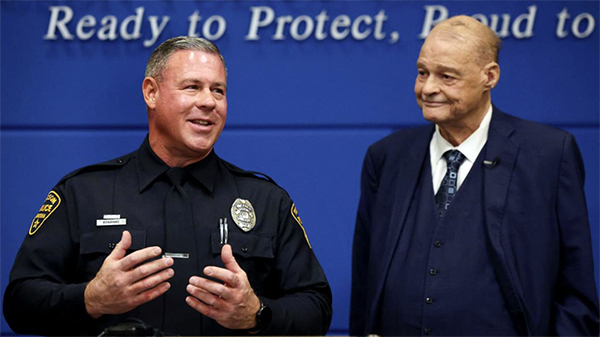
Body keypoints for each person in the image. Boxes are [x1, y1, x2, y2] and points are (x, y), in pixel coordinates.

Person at [4, 36, 332, 336]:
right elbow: (19, 304)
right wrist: (91, 299)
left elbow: (317, 309)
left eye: (218, 90)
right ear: (151, 92)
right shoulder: (83, 193)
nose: (209, 102)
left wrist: (256, 313)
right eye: (192, 87)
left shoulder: (265, 200)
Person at [350, 15, 599, 336]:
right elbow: (365, 279)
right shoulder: (387, 156)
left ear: (489, 76)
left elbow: (575, 283)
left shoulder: (548, 154)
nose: (428, 88)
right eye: (422, 72)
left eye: (447, 76)